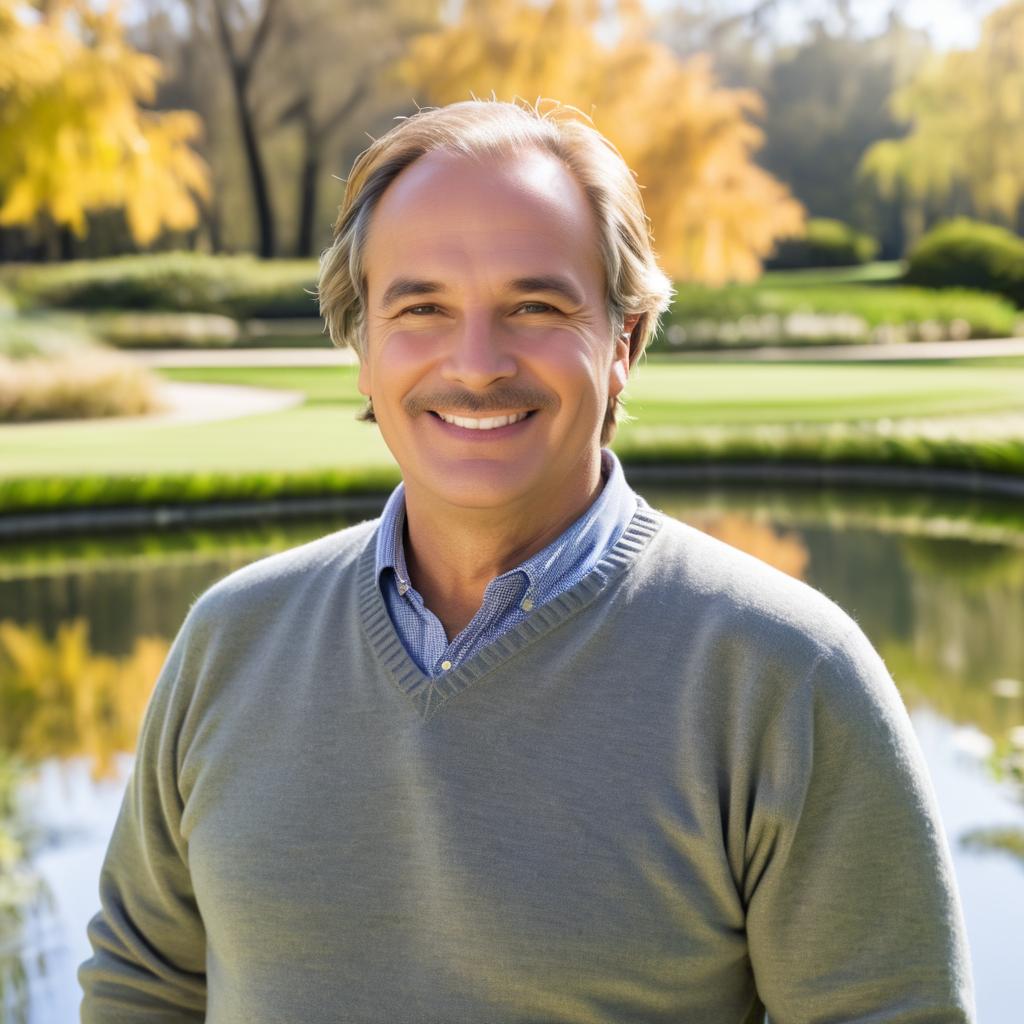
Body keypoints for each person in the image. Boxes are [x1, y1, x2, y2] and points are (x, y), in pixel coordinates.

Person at [80, 99, 975, 1023]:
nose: (475, 364)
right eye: (421, 306)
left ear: (622, 342)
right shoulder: (231, 640)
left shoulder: (786, 678)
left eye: (534, 306)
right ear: (363, 346)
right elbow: (141, 986)